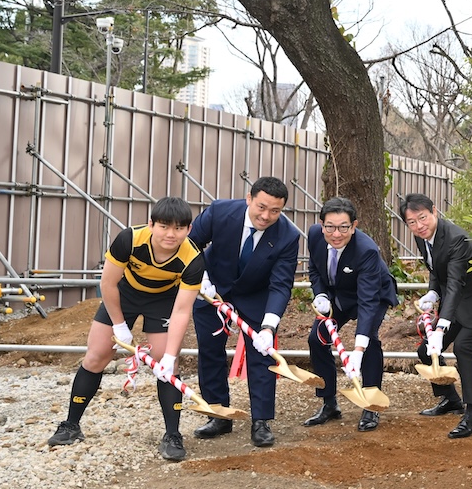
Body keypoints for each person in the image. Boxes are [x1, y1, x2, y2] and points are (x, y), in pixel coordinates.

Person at [47, 197, 205, 462]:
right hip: (125, 294)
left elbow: (181, 310)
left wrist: (168, 356)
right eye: (164, 226)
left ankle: (172, 435)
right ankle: (71, 425)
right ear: (151, 224)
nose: (170, 234)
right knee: (96, 356)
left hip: (163, 300)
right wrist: (119, 325)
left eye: (179, 228)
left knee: (168, 368)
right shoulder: (129, 239)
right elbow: (108, 283)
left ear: (188, 229)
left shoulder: (193, 259)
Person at [188, 176, 299, 448]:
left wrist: (269, 326)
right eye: (261, 207)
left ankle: (260, 421)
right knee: (210, 350)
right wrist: (199, 278)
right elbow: (190, 243)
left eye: (275, 211)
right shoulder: (220, 212)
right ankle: (218, 413)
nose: (266, 216)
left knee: (261, 355)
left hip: (256, 294)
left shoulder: (288, 235)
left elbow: (281, 284)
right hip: (212, 288)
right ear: (249, 199)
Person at [400, 193, 472, 439]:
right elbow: (436, 267)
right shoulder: (423, 237)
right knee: (425, 350)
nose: (419, 226)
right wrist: (432, 293)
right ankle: (450, 400)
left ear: (434, 211)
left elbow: (456, 282)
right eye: (412, 222)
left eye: (423, 218)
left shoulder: (458, 239)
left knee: (463, 348)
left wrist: (440, 327)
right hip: (455, 301)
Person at [303, 196, 399, 432]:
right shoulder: (315, 235)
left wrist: (357, 349)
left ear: (354, 226)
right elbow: (315, 268)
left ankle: (371, 404)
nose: (336, 234)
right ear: (321, 224)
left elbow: (367, 302)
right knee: (317, 339)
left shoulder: (366, 250)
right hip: (337, 295)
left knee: (370, 342)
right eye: (330, 227)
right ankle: (329, 403)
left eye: (344, 227)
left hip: (372, 294)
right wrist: (321, 295)